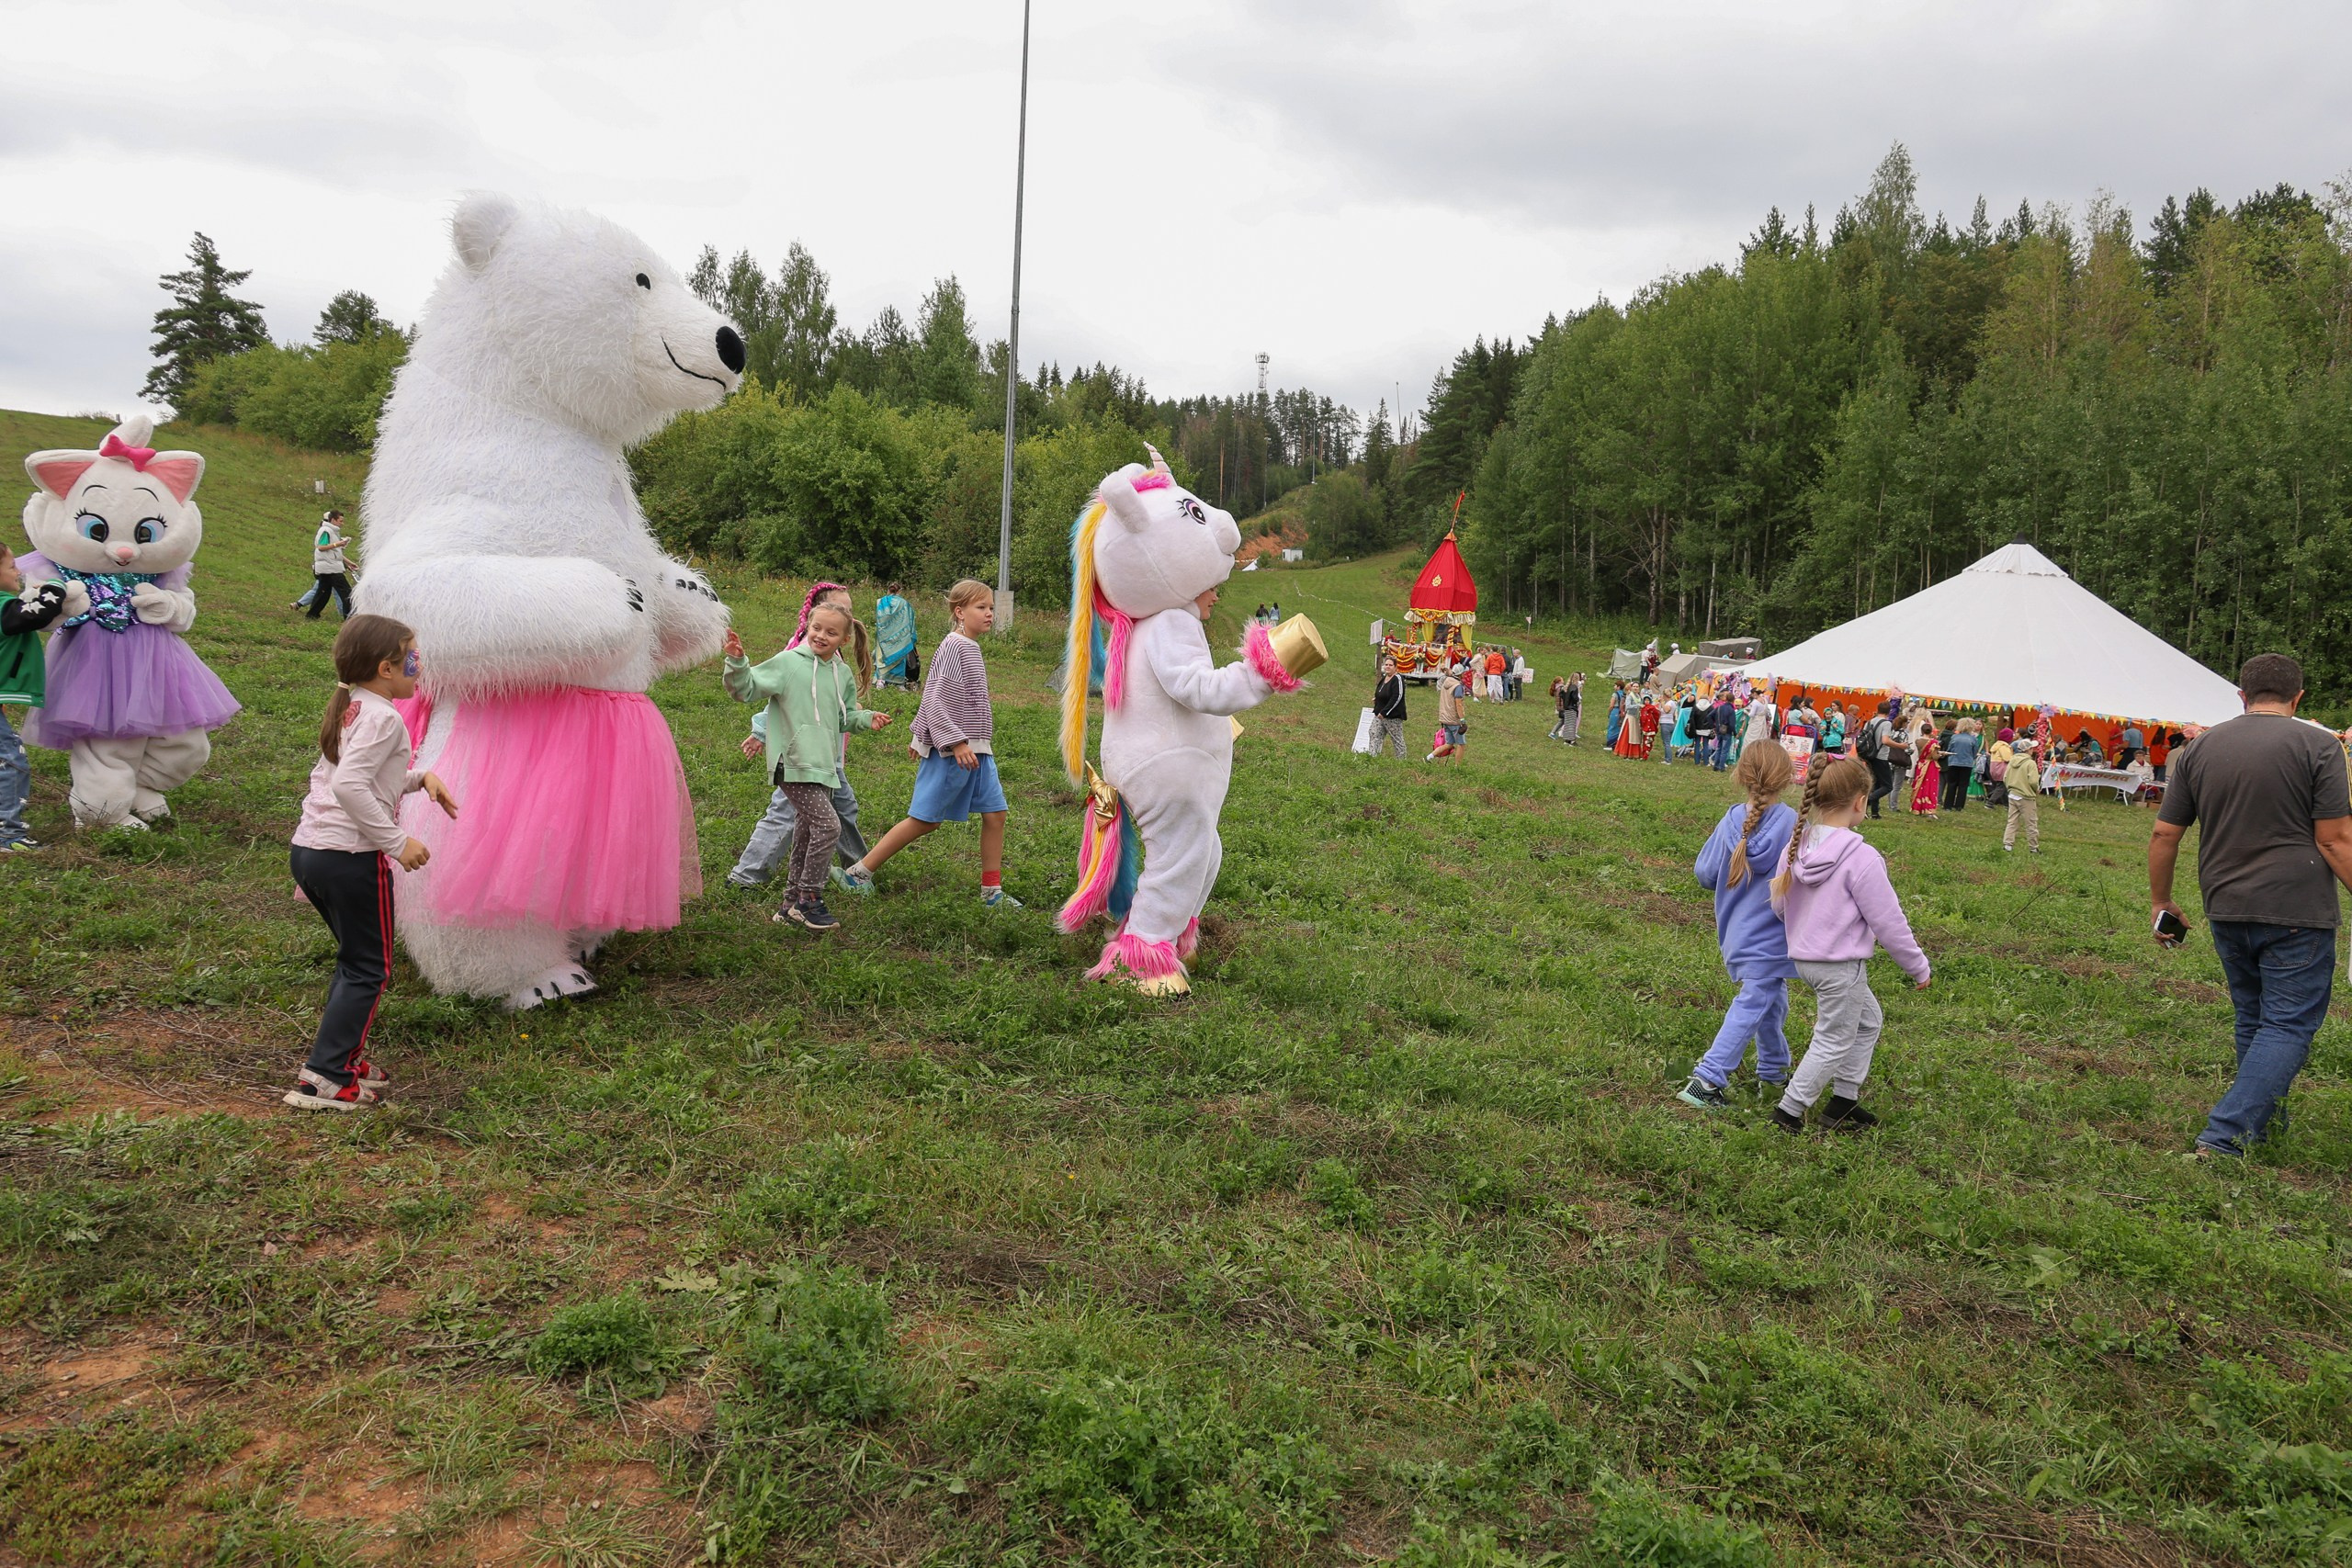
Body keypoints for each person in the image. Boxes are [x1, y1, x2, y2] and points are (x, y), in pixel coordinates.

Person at [2149, 653, 2352, 1158]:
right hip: (2296, 907)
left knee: (2255, 1019)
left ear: (2241, 695)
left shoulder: (2201, 747)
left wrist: (2162, 901)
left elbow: (2165, 832)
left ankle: (2260, 1126)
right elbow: (2335, 839)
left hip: (2225, 902)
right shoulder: (2321, 745)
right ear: (2299, 697)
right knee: (2287, 1023)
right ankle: (2224, 1137)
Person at [284, 615, 459, 1110]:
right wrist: (396, 841)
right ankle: (326, 1077)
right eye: (413, 657)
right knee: (368, 968)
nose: (418, 666)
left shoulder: (356, 708)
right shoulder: (383, 716)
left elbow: (365, 776)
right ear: (387, 667)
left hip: (312, 853)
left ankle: (344, 1059)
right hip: (350, 859)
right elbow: (349, 786)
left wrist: (420, 776)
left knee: (357, 961)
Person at [1770, 755, 1931, 1134]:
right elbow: (1889, 922)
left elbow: (1780, 905)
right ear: (1860, 801)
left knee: (1867, 1021)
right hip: (1840, 966)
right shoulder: (1862, 858)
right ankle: (1787, 1113)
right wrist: (1918, 967)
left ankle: (1843, 1102)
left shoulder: (1797, 846)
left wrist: (1806, 930)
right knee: (1833, 1038)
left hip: (1806, 960)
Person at [845, 581, 1019, 906]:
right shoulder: (955, 646)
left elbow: (933, 694)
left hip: (978, 749)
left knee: (996, 814)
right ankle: (859, 872)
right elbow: (936, 698)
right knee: (926, 820)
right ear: (959, 612)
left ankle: (991, 892)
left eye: (991, 608)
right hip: (957, 752)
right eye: (981, 608)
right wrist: (954, 743)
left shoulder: (968, 645)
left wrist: (921, 732)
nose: (989, 614)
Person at [723, 602, 893, 931]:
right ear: (807, 628)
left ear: (844, 639)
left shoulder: (841, 673)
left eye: (831, 632)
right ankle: (809, 899)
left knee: (805, 834)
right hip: (793, 762)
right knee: (829, 826)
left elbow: (843, 718)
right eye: (817, 628)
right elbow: (745, 689)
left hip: (824, 766)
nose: (821, 636)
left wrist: (866, 718)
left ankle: (788, 907)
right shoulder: (788, 663)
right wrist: (737, 661)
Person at [1678, 742, 1799, 1110]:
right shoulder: (1793, 822)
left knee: (1770, 999)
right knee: (1755, 1000)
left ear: (1741, 775)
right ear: (1788, 777)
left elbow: (1704, 874)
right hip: (1772, 936)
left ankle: (1774, 1075)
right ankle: (1707, 1079)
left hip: (1736, 932)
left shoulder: (1732, 819)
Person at [0, 547, 72, 852]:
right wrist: (55, 587)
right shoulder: (4, 607)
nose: (18, 572)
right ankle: (8, 835)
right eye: (12, 566)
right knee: (11, 761)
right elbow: (35, 614)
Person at [303, 510, 354, 620]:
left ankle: (312, 615)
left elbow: (334, 552)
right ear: (333, 520)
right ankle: (350, 617)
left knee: (323, 593)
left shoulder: (331, 531)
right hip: (331, 569)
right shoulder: (326, 531)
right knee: (347, 593)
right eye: (340, 521)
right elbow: (321, 547)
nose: (342, 523)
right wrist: (338, 544)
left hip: (326, 567)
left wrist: (348, 563)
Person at [1857, 700, 1899, 819]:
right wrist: (1901, 746)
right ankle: (1867, 801)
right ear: (1889, 711)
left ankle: (1874, 812)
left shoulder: (1870, 722)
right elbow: (1885, 740)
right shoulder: (1886, 723)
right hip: (1881, 756)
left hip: (1869, 755)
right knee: (1887, 786)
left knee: (1876, 784)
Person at [874, 581, 917, 688]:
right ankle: (899, 683)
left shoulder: (880, 602)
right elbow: (909, 619)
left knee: (882, 656)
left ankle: (881, 680)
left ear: (888, 590)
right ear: (899, 591)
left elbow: (880, 619)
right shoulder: (904, 603)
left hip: (884, 635)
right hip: (899, 636)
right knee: (899, 655)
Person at [2003, 742, 2041, 852]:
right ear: (2029, 750)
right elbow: (2033, 781)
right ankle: (2033, 848)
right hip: (2026, 796)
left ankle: (2008, 845)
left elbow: (2005, 777)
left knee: (2012, 821)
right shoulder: (2030, 763)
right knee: (2031, 822)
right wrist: (2036, 789)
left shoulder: (2012, 761)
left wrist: (2010, 788)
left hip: (2013, 794)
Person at [1370, 656, 1408, 759]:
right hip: (1379, 714)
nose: (1388, 667)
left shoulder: (1397, 679)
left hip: (1392, 716)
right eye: (1386, 664)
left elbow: (1397, 697)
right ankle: (1373, 757)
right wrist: (1377, 699)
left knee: (1397, 740)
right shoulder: (1384, 678)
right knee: (1374, 733)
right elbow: (1383, 692)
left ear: (1395, 667)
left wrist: (1385, 712)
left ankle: (1401, 761)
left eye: (1390, 665)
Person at [1941, 718, 1980, 812]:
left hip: (1954, 762)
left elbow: (1950, 749)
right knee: (1963, 785)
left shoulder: (1955, 737)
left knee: (1951, 784)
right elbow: (1975, 752)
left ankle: (1948, 805)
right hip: (1967, 763)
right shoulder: (1973, 739)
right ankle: (1959, 806)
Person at [1430, 661, 1467, 760]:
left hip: (1445, 718)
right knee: (1461, 744)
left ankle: (1428, 757)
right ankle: (1457, 768)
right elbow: (1458, 704)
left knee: (1449, 744)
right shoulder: (1457, 686)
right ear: (1461, 674)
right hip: (1454, 720)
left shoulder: (1446, 682)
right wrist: (1463, 721)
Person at [1909, 719, 1941, 817]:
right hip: (1930, 766)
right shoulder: (1934, 743)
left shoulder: (1918, 741)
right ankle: (1928, 808)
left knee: (1920, 786)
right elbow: (1935, 757)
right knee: (1930, 786)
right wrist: (1941, 755)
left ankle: (1917, 807)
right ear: (1931, 731)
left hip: (1921, 764)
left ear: (1922, 731)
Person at [1690, 688, 1718, 768]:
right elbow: (1713, 718)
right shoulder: (1710, 707)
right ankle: (1706, 762)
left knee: (1697, 745)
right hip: (1707, 729)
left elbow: (1691, 718)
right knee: (1705, 745)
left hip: (1697, 729)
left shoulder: (1695, 707)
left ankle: (1697, 761)